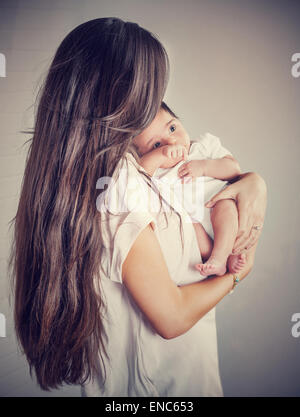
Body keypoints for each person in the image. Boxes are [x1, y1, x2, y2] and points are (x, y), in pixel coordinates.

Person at [9, 18, 267, 397]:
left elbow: (225, 184)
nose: (157, 104)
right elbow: (172, 316)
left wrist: (254, 183)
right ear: (115, 100)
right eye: (149, 91)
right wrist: (237, 275)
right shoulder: (118, 186)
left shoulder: (137, 171)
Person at [132, 102, 248, 278]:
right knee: (189, 230)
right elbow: (139, 173)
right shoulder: (159, 170)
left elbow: (234, 169)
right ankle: (218, 260)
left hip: (217, 202)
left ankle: (223, 255)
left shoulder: (202, 147)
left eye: (172, 128)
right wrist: (161, 155)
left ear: (179, 120)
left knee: (225, 207)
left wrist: (204, 167)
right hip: (194, 220)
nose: (171, 142)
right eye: (156, 144)